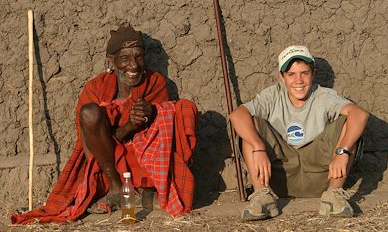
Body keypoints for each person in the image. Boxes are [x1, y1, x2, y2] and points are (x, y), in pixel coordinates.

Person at [12, 24, 198, 224]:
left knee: (181, 110)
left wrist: (153, 114)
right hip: (108, 166)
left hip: (143, 162)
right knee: (90, 113)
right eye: (125, 58)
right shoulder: (95, 88)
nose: (133, 65)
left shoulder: (154, 82)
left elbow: (163, 137)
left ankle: (144, 191)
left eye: (138, 56)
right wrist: (128, 126)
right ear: (111, 61)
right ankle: (117, 190)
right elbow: (90, 146)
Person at [229, 45, 369, 221]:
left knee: (348, 123)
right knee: (250, 124)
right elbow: (237, 115)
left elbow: (359, 114)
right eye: (291, 74)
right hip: (280, 177)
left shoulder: (324, 95)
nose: (299, 80)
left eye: (304, 73)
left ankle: (334, 196)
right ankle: (262, 196)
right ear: (282, 77)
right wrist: (258, 147)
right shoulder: (272, 95)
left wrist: (342, 150)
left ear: (313, 74)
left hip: (321, 177)